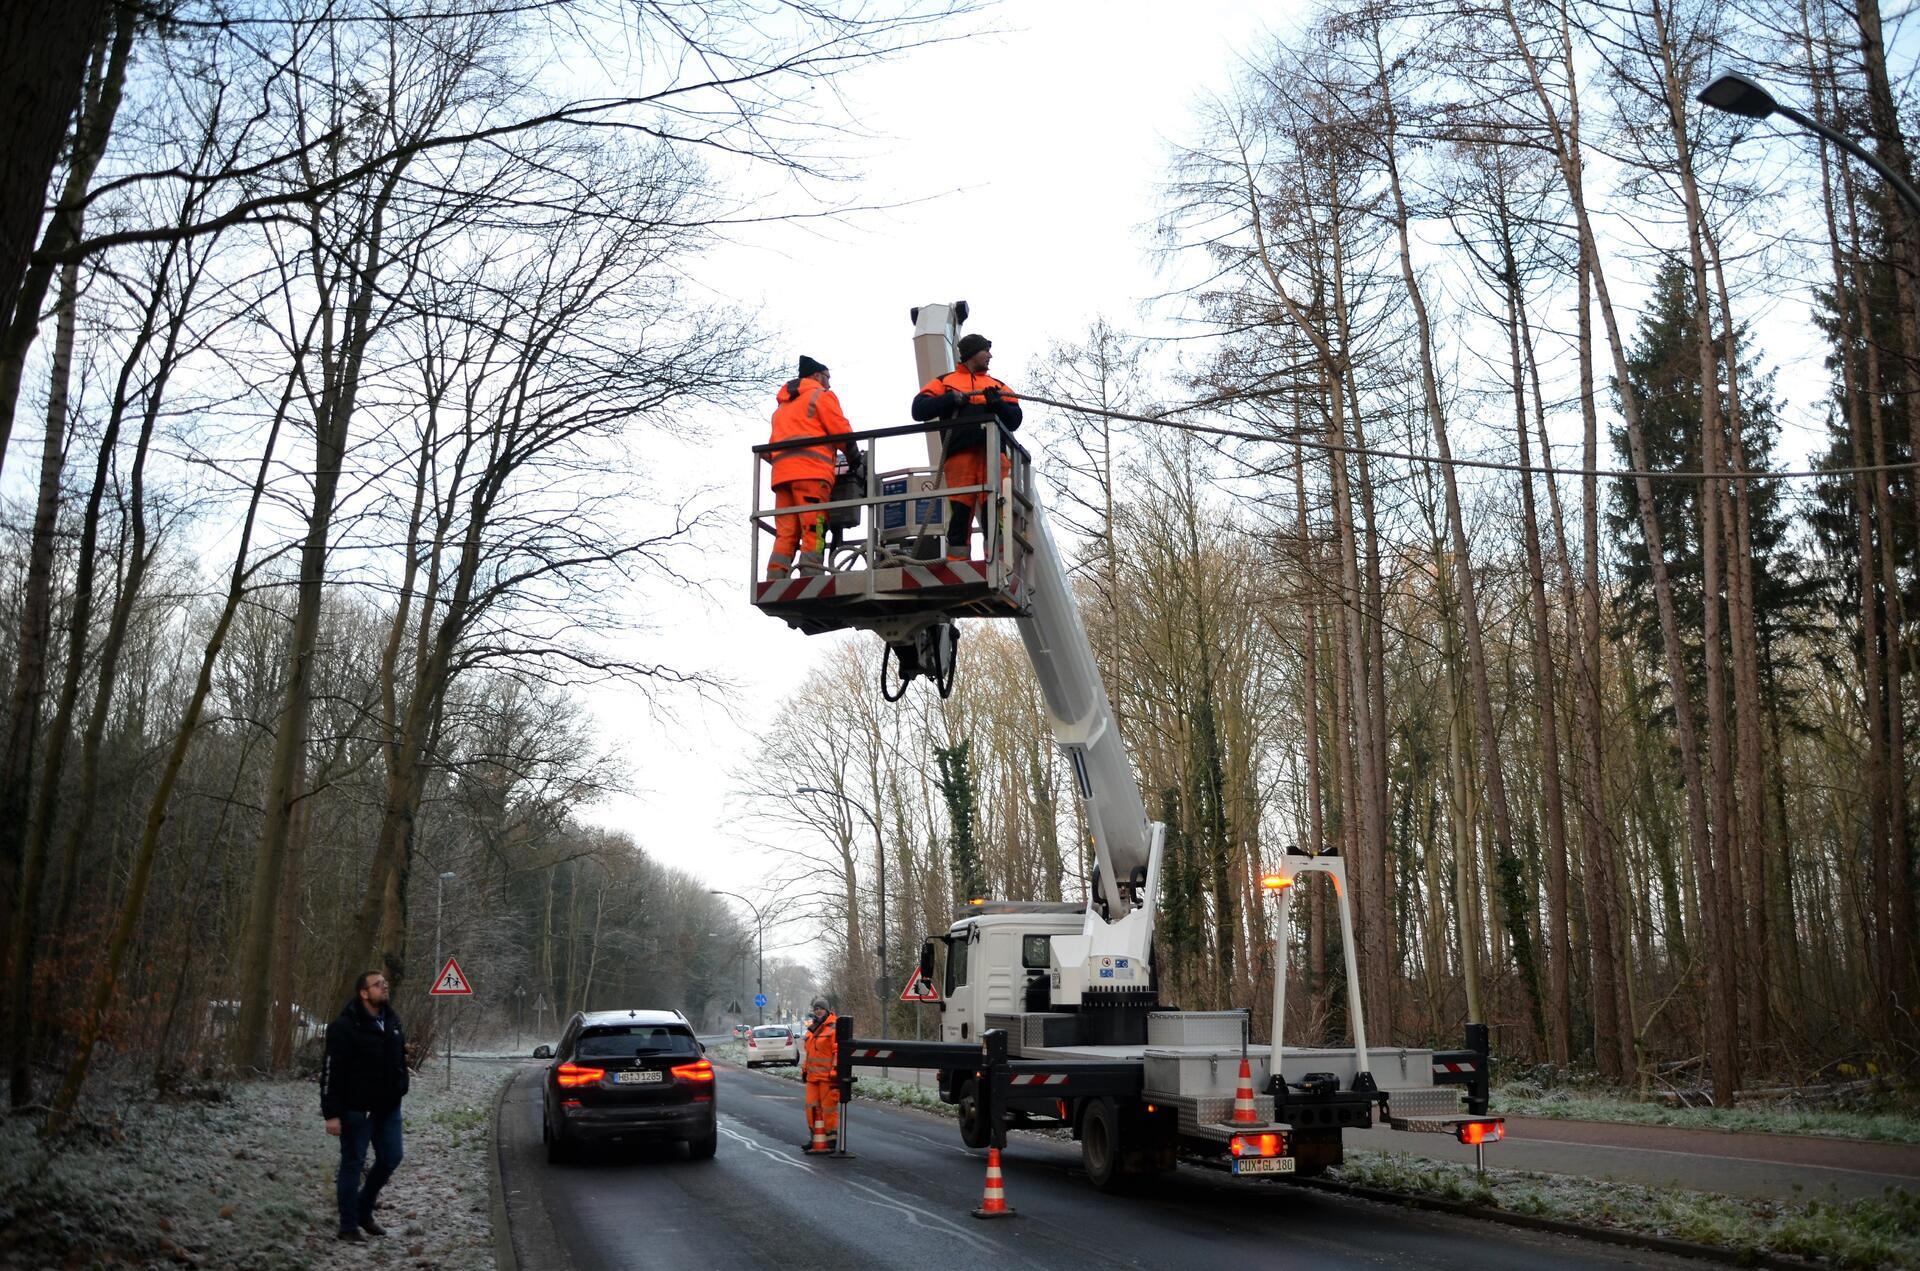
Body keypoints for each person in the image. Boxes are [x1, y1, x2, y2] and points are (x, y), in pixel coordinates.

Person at [911, 332, 1022, 561]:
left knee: (996, 510)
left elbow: (1015, 419)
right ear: (973, 353)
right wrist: (951, 399)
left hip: (993, 457)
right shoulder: (945, 382)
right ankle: (958, 563)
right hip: (960, 459)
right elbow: (919, 409)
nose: (990, 356)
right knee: (960, 513)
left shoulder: (997, 386)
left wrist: (997, 403)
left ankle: (998, 564)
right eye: (986, 351)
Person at [321, 971, 409, 1242]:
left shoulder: (391, 1022)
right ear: (363, 992)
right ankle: (348, 1226)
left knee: (391, 1157)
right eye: (378, 984)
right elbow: (330, 1072)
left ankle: (363, 1209)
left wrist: (401, 1084)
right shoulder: (345, 1027)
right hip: (356, 1110)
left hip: (388, 1108)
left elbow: (397, 1061)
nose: (385, 987)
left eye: (386, 983)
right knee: (353, 1163)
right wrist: (332, 1113)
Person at [765, 355, 860, 579]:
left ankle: (775, 577)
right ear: (816, 375)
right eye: (827, 377)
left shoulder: (782, 408)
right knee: (813, 527)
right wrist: (854, 457)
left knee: (786, 532)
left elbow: (770, 450)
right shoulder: (821, 396)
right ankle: (810, 576)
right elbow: (840, 430)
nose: (829, 383)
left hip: (781, 477)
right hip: (811, 474)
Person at [800, 995, 840, 1150]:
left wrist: (835, 1070)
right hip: (812, 1077)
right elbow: (809, 1053)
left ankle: (830, 1140)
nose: (818, 1011)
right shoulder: (812, 1029)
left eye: (821, 1008)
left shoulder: (833, 1027)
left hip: (827, 1078)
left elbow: (837, 1051)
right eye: (816, 1009)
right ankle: (816, 1137)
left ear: (827, 1010)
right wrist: (804, 1070)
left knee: (828, 1109)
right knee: (810, 1108)